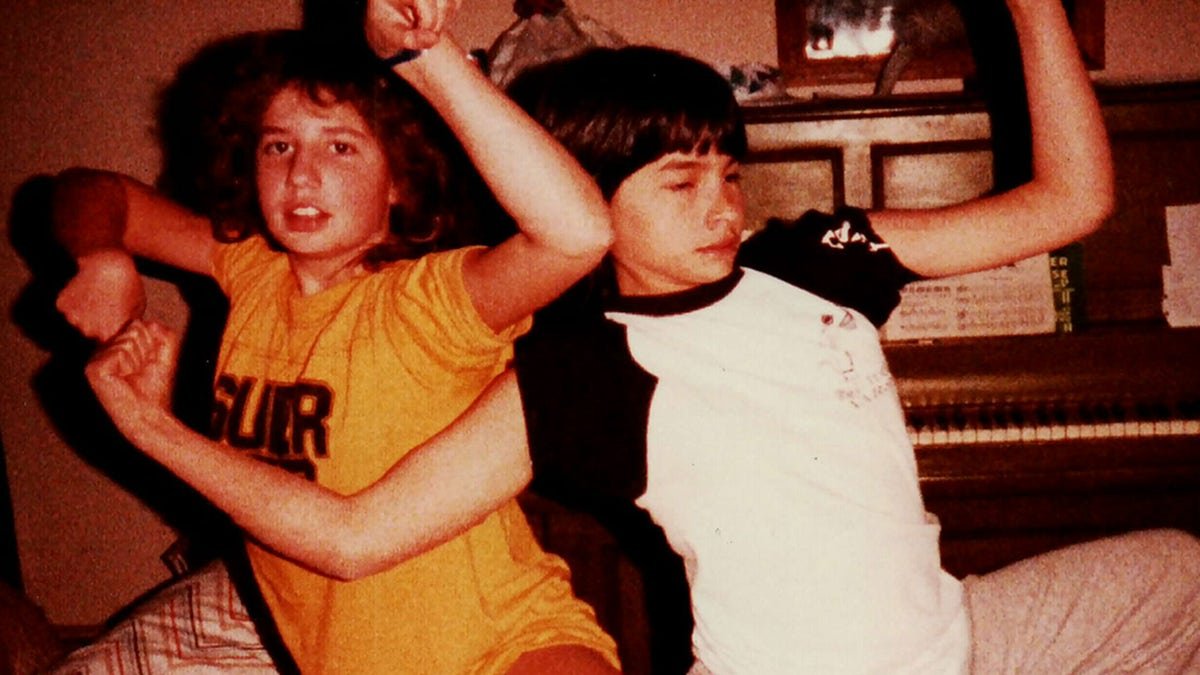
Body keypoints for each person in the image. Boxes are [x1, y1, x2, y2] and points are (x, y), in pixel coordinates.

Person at [83, 0, 1200, 672]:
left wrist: (1030, 9)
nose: (725, 205)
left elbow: (1070, 205)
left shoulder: (820, 258)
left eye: (729, 172)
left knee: (1179, 577)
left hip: (961, 641)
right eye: (681, 180)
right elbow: (348, 539)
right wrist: (149, 427)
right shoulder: (582, 372)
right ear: (598, 195)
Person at [48, 4, 622, 675]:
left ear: (398, 181)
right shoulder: (250, 271)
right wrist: (100, 255)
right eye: (278, 145)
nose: (301, 174)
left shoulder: (426, 302)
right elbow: (86, 191)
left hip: (507, 650)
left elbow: (578, 233)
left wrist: (420, 55)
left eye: (340, 146)